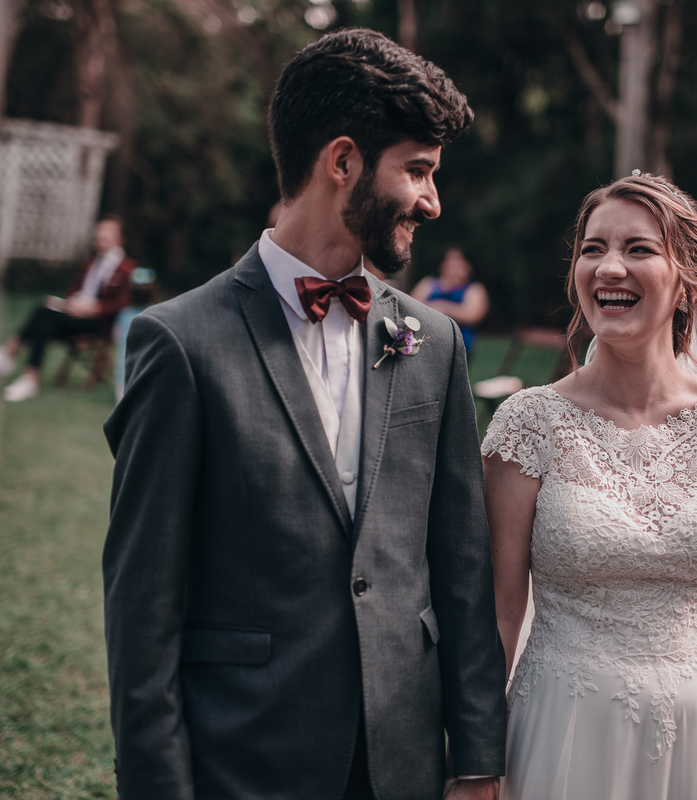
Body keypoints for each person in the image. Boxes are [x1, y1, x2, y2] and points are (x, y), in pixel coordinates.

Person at [101, 29, 505, 800]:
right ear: (343, 161)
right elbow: (142, 607)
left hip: (403, 763)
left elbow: (461, 566)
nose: (432, 200)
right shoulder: (178, 345)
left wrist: (478, 757)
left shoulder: (435, 342)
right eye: (417, 170)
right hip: (247, 759)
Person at [482, 173, 697, 800]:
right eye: (592, 249)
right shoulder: (527, 424)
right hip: (564, 730)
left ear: (686, 277)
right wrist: (476, 762)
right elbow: (501, 608)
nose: (609, 268)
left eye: (638, 249)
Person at [0, 216, 136, 401]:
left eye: (108, 231)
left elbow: (125, 302)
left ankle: (10, 356)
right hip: (74, 315)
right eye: (100, 230)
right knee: (44, 317)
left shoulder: (128, 269)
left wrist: (95, 308)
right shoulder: (91, 263)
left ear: (120, 238)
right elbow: (74, 289)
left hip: (98, 323)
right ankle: (28, 377)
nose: (101, 234)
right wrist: (73, 302)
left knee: (43, 313)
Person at [411, 246, 489, 352]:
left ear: (468, 267)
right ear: (441, 265)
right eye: (450, 263)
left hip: (458, 344)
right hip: (424, 342)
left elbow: (473, 315)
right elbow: (411, 307)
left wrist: (442, 308)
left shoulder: (474, 289)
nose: (454, 268)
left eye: (459, 263)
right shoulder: (428, 283)